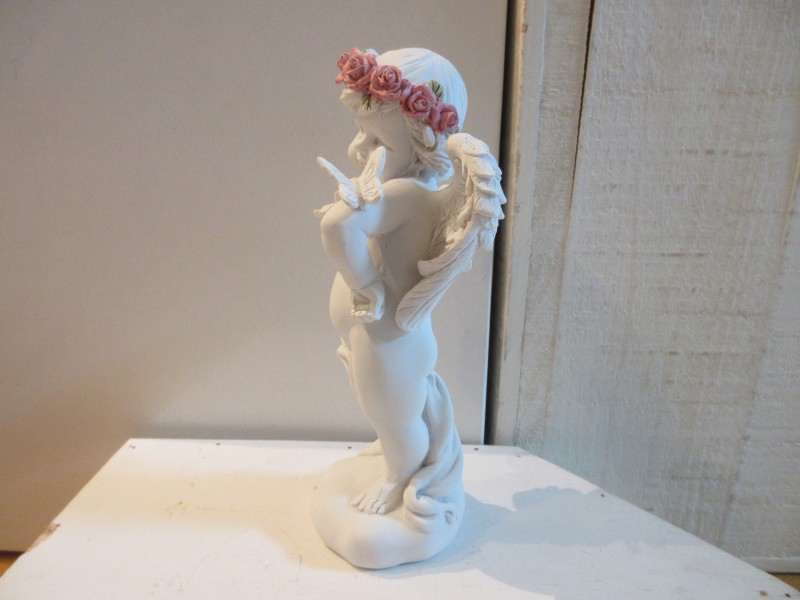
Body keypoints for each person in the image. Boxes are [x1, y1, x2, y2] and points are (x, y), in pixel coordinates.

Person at [316, 47, 505, 525]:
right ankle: (396, 458)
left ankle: (401, 478)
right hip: (380, 340)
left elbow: (338, 226)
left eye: (376, 139)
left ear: (421, 140)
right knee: (387, 417)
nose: (359, 149)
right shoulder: (399, 189)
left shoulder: (408, 194)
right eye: (361, 133)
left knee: (397, 422)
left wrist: (366, 285)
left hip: (392, 343)